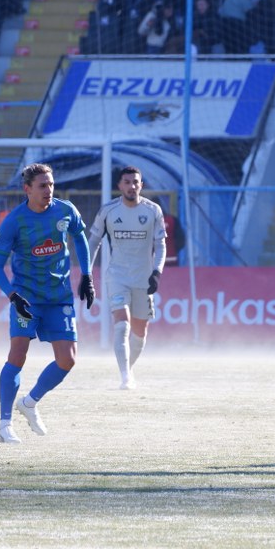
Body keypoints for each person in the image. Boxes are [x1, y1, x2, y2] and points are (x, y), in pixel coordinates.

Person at [0, 163, 95, 444]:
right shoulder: (14, 221)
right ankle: (4, 424)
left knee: (67, 359)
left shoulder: (66, 210)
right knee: (17, 356)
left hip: (58, 296)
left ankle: (30, 401)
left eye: (51, 185)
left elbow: (80, 239)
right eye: (42, 186)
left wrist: (86, 275)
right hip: (27, 298)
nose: (49, 190)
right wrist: (13, 296)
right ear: (27, 189)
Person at [88, 166, 167, 390]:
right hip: (117, 276)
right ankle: (126, 377)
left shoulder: (153, 211)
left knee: (140, 332)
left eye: (136, 182)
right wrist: (87, 272)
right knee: (122, 325)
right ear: (119, 185)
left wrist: (157, 272)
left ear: (141, 185)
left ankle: (128, 369)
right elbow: (94, 241)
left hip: (143, 279)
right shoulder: (108, 210)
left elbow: (160, 245)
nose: (132, 186)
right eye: (127, 182)